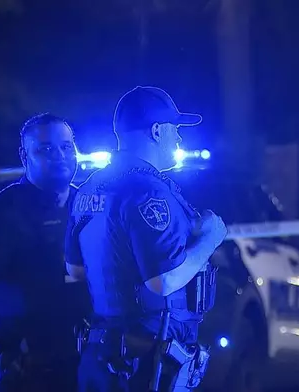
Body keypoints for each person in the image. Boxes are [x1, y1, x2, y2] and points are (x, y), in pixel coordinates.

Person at [65, 86, 227, 392]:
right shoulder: (149, 190)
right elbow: (162, 281)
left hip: (103, 353)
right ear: (156, 131)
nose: (179, 139)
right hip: (146, 361)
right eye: (175, 129)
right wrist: (210, 238)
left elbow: (75, 270)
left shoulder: (89, 188)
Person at [0, 113, 90, 391]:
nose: (59, 155)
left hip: (88, 365)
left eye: (66, 146)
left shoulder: (88, 204)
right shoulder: (5, 212)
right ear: (24, 155)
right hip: (27, 370)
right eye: (45, 148)